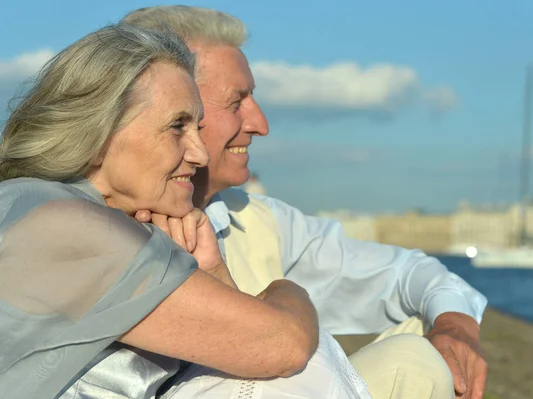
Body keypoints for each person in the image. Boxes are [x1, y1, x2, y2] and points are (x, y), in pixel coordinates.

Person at [123, 6, 489, 399]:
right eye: (237, 101)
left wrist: (455, 326)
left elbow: (409, 274)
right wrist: (289, 298)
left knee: (431, 335)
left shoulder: (256, 219)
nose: (260, 124)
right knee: (409, 361)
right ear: (172, 109)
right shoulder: (101, 227)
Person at [0, 23, 370, 398]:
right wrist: (287, 289)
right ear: (98, 133)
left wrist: (211, 270)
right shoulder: (59, 221)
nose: (200, 153)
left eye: (198, 126)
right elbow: (281, 345)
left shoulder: (86, 218)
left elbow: (245, 347)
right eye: (178, 126)